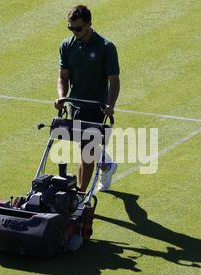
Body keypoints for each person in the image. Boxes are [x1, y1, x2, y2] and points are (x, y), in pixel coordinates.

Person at [54, 5, 120, 193]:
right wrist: (61, 97)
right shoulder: (67, 46)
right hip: (75, 105)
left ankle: (81, 195)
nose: (74, 32)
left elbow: (114, 81)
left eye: (78, 28)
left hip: (96, 107)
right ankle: (107, 165)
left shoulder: (106, 48)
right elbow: (63, 77)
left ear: (89, 24)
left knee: (86, 152)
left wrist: (110, 105)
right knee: (84, 146)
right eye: (71, 28)